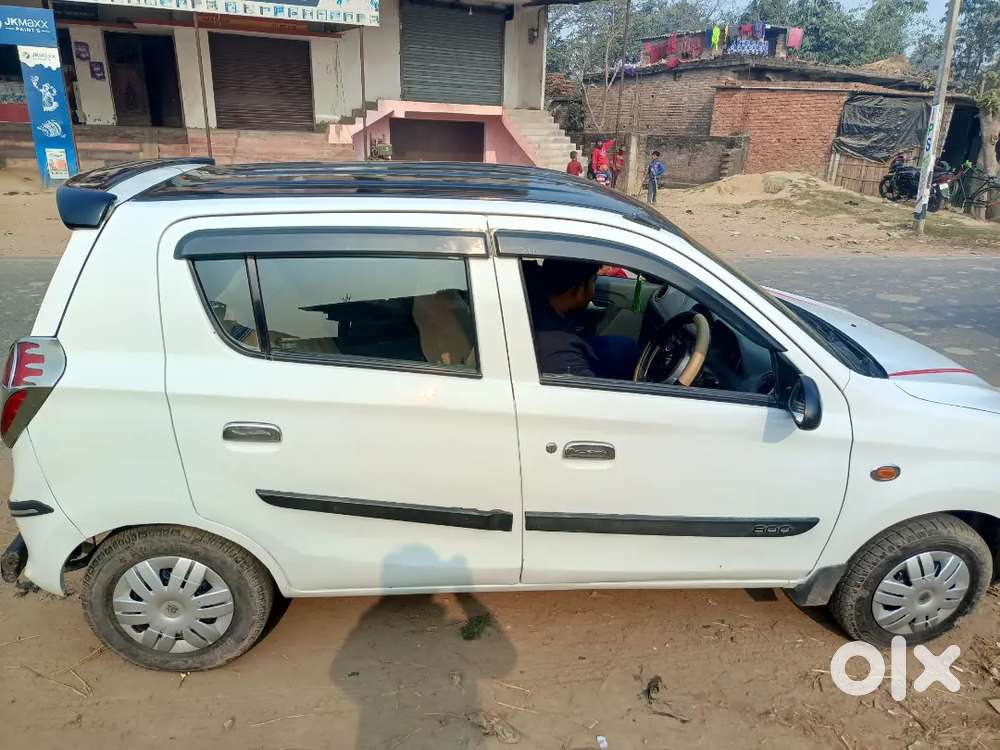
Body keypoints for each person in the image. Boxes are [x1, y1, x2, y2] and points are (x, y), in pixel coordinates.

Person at [529, 259, 637, 380]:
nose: (593, 290)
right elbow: (587, 395)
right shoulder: (561, 354)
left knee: (625, 346)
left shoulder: (530, 283)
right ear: (579, 290)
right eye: (594, 281)